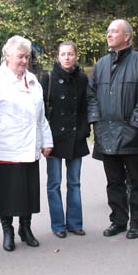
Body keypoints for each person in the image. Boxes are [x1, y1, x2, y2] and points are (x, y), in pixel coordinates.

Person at [0, 35, 53, 252]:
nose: (24, 61)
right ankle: (7, 230)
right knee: (6, 191)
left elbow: (41, 115)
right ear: (7, 55)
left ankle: (25, 228)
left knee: (28, 190)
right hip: (4, 147)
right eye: (20, 56)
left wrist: (46, 141)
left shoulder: (32, 80)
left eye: (27, 57)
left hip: (29, 145)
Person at [87, 19, 138, 239]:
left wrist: (134, 124)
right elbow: (91, 96)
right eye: (108, 31)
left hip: (132, 135)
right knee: (114, 182)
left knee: (136, 182)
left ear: (126, 36)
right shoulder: (100, 65)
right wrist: (96, 122)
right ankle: (118, 220)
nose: (109, 34)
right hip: (106, 134)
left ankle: (137, 223)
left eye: (114, 31)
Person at [40, 41, 90, 238]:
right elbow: (41, 110)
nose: (67, 57)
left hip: (76, 137)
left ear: (76, 56)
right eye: (63, 54)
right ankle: (58, 225)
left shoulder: (83, 79)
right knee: (54, 183)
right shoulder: (48, 78)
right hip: (54, 138)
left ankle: (75, 223)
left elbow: (87, 106)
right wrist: (44, 139)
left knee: (74, 182)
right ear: (57, 57)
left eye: (70, 54)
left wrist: (85, 130)